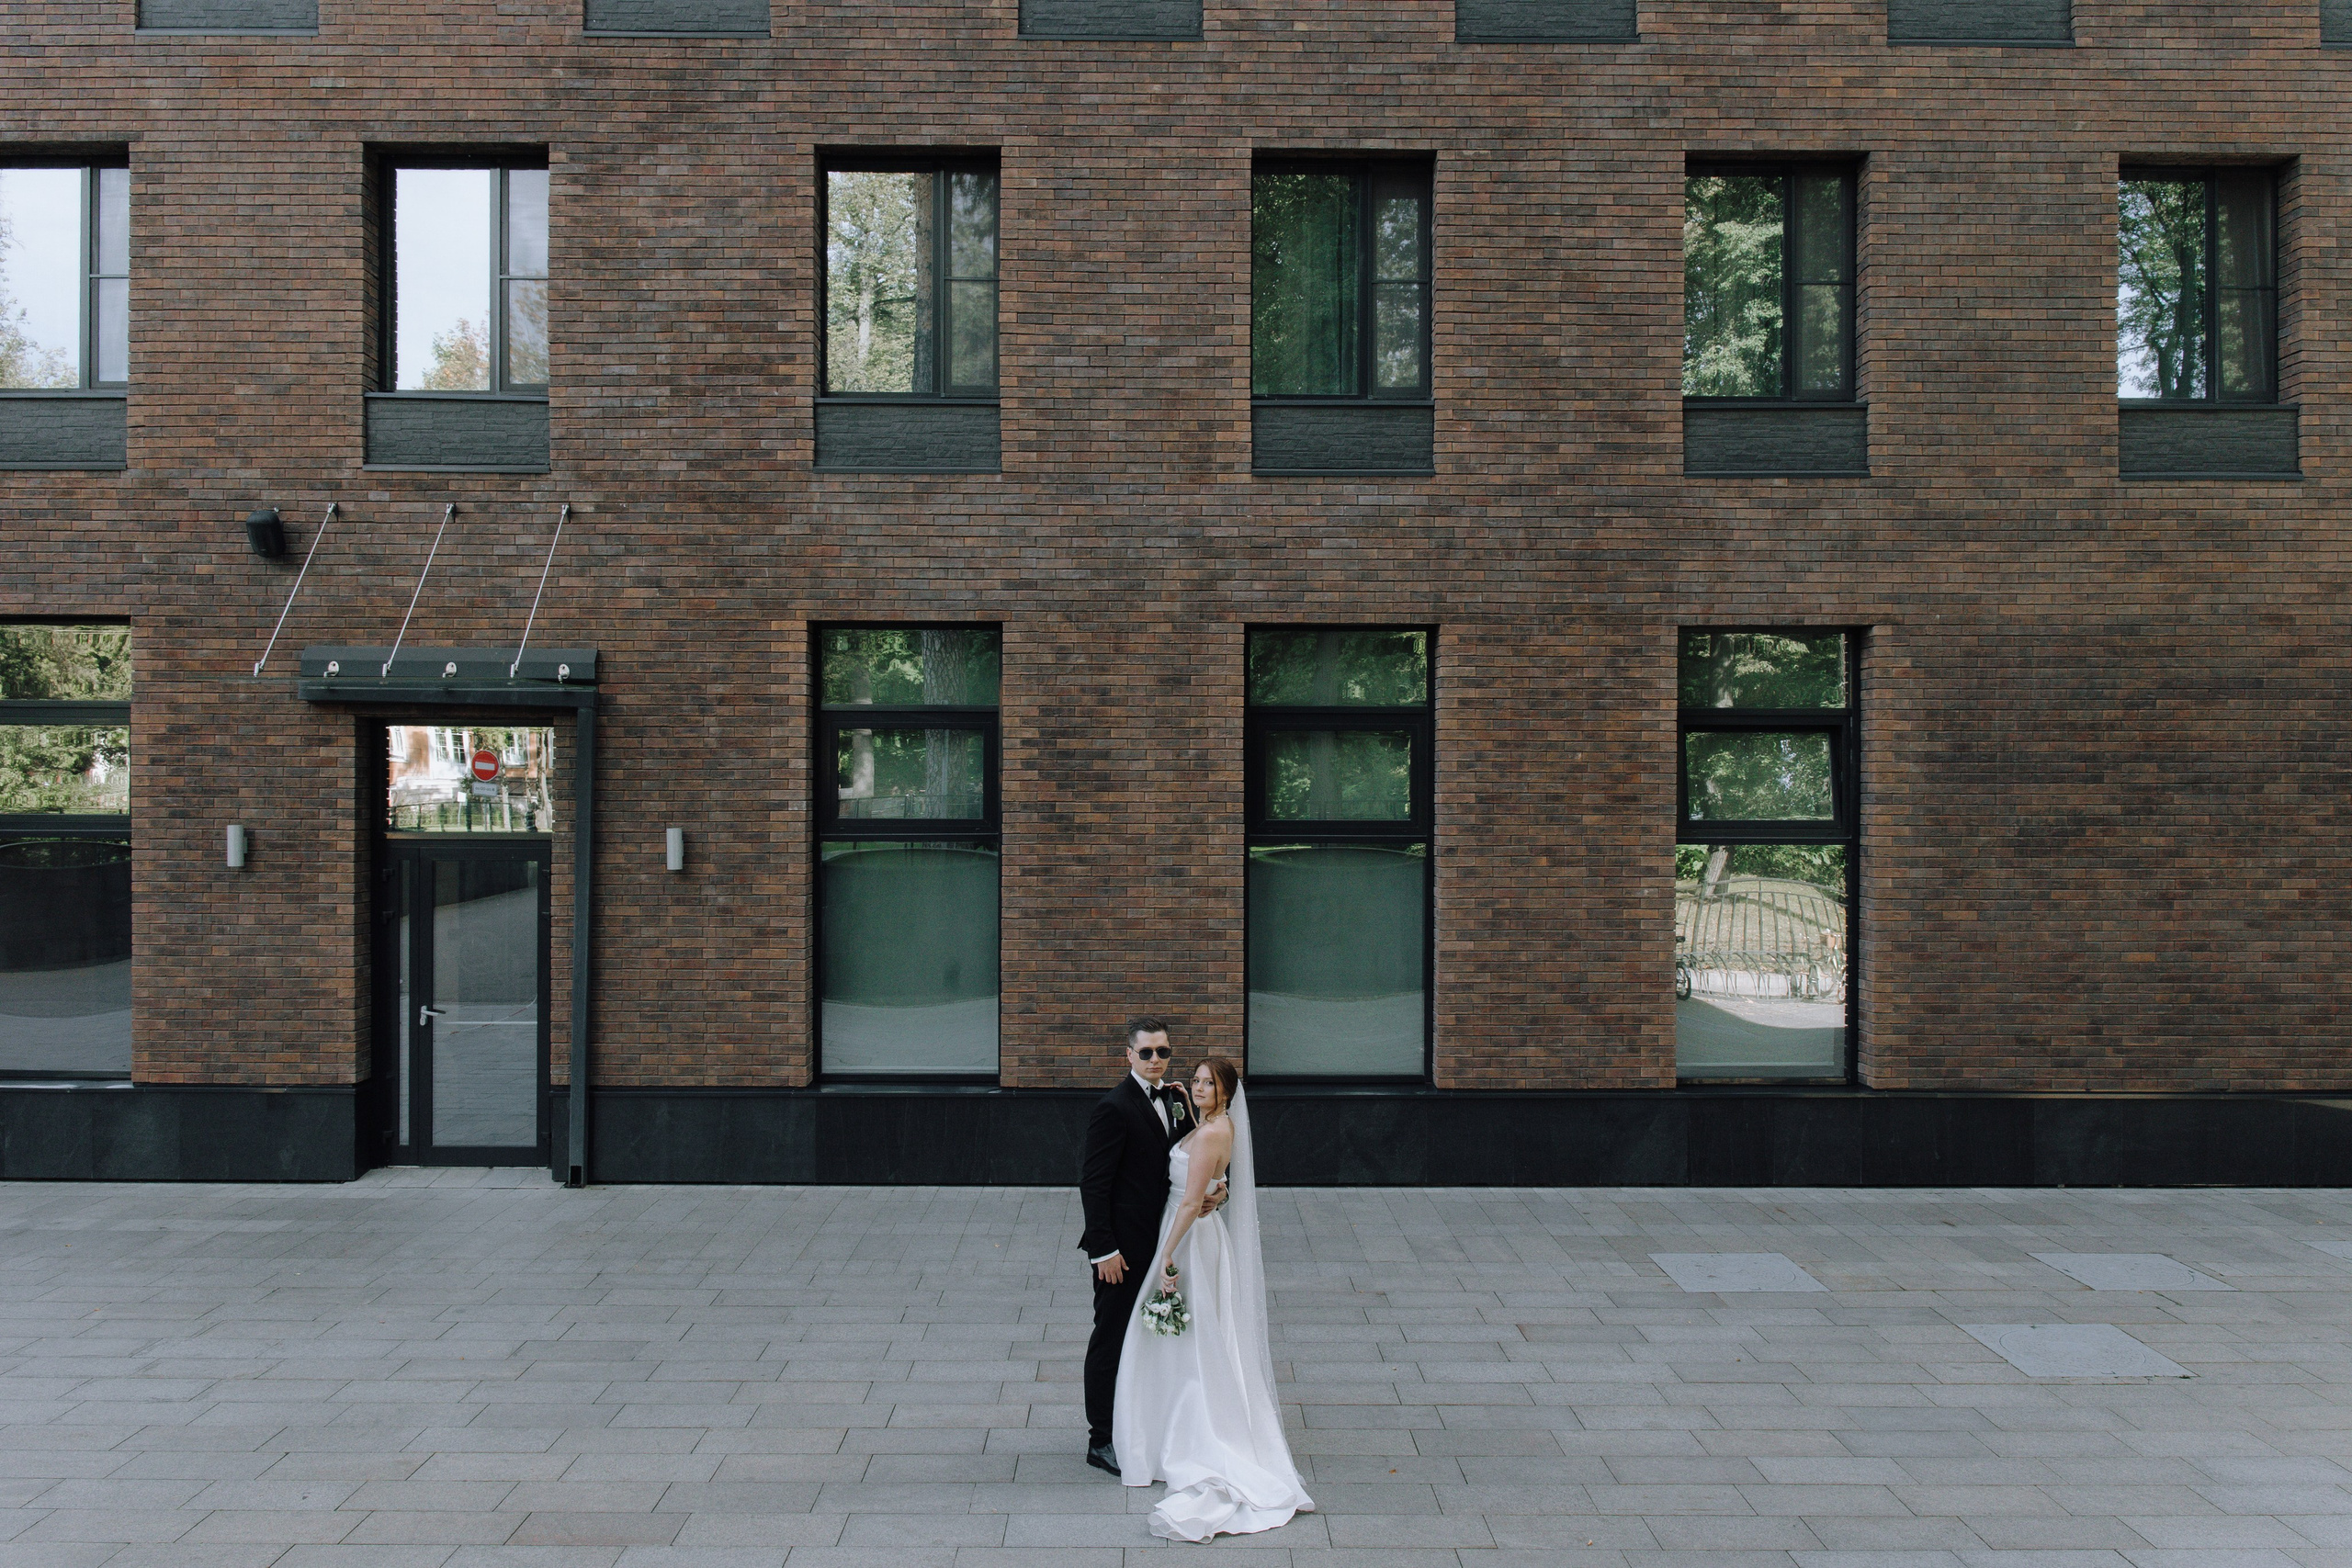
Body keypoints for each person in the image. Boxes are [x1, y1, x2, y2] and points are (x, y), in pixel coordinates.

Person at [1111, 1055, 1315, 1541]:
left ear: (1226, 1092)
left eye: (1208, 1083)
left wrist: (1166, 1257)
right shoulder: (1211, 1124)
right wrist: (1216, 1188)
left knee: (1189, 1338)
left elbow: (1187, 1199)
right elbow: (1214, 1184)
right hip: (1201, 1233)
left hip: (1188, 1239)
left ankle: (1186, 1430)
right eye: (1197, 1080)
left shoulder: (1208, 1134)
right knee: (1196, 1336)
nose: (1199, 1087)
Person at [1076, 1016, 1198, 1476]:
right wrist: (1103, 1250)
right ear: (1128, 1055)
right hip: (1122, 1252)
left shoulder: (1174, 1099)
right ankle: (1101, 1438)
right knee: (1111, 1337)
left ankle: (1140, 1420)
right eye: (1145, 1052)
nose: (1154, 1060)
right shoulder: (1114, 1107)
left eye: (1162, 1052)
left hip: (1162, 1240)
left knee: (1146, 1339)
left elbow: (1186, 1156)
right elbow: (1094, 1182)